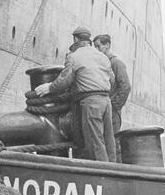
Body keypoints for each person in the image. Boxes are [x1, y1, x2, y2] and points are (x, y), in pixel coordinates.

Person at [35, 26, 117, 162]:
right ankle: (113, 168)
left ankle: (101, 171)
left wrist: (49, 87)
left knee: (94, 140)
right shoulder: (103, 57)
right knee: (108, 138)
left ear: (75, 39)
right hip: (106, 101)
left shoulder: (74, 57)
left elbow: (65, 80)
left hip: (90, 102)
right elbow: (112, 80)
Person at [92, 34, 131, 135]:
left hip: (112, 112)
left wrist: (114, 106)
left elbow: (125, 86)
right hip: (101, 110)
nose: (97, 50)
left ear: (107, 45)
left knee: (111, 140)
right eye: (95, 47)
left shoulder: (116, 63)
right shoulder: (101, 63)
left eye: (98, 46)